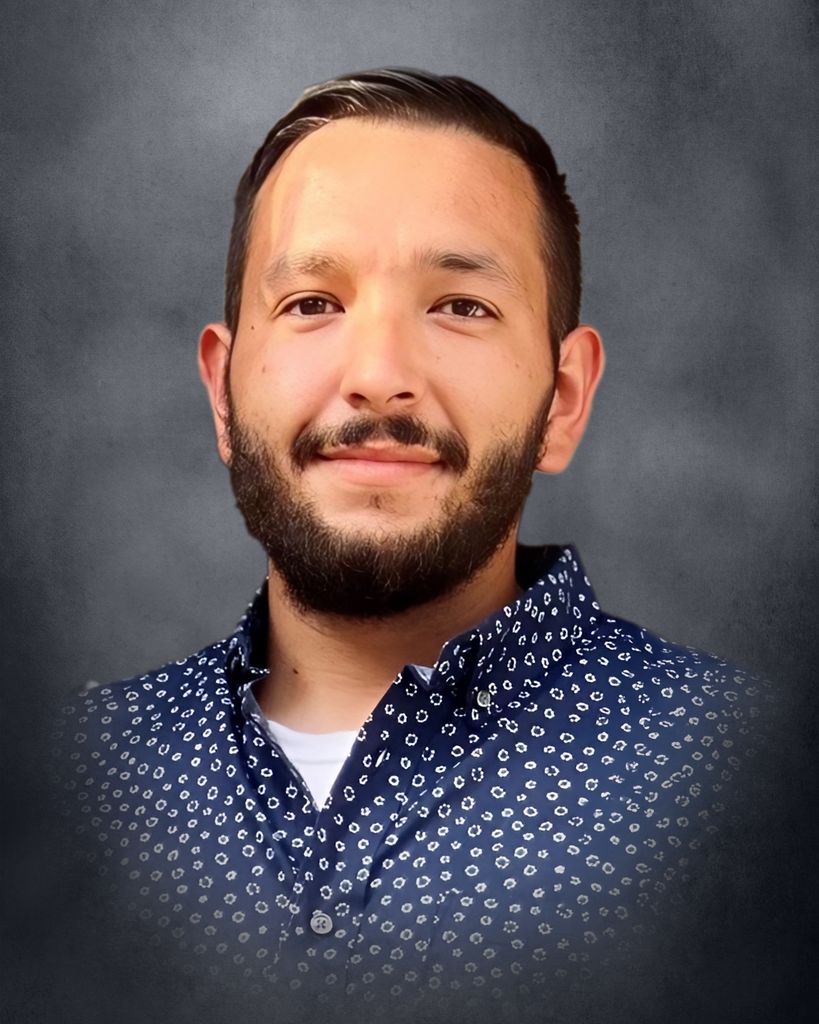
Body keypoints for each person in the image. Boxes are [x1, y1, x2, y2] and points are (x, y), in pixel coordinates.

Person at [56, 68, 771, 1022]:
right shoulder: (57, 788)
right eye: (312, 302)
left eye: (460, 306)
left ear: (562, 402)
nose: (379, 375)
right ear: (223, 394)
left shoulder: (759, 789)